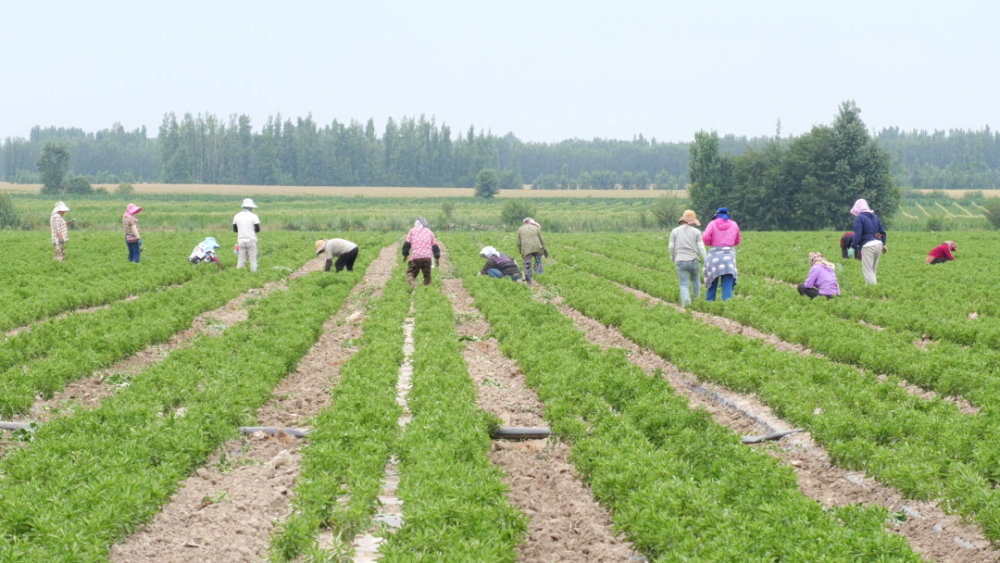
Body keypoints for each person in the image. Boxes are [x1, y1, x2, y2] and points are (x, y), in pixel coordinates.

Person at [669, 210, 707, 307]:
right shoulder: (696, 232)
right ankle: (696, 302)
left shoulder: (675, 231)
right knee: (695, 280)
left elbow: (670, 247)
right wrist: (706, 260)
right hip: (694, 261)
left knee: (683, 284)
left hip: (680, 260)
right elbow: (701, 248)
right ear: (693, 220)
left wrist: (672, 256)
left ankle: (686, 305)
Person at [702, 207, 740, 301]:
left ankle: (709, 303)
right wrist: (730, 244)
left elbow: (705, 236)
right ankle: (727, 305)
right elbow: (738, 239)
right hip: (729, 257)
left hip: (714, 256)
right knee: (727, 285)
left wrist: (710, 243)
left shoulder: (712, 223)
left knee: (712, 282)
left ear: (716, 214)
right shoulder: (734, 224)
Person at [850, 199, 887, 285]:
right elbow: (882, 232)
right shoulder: (874, 216)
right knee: (872, 270)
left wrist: (852, 247)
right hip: (878, 245)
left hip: (868, 246)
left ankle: (874, 291)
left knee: (867, 271)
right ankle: (870, 291)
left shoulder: (859, 218)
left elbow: (858, 234)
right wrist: (884, 244)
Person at [402, 217, 440, 287]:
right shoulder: (429, 232)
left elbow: (407, 244)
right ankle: (427, 291)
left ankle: (412, 284)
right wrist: (437, 258)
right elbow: (435, 246)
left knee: (411, 273)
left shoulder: (412, 231)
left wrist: (405, 255)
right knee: (427, 276)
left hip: (415, 257)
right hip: (427, 257)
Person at [516, 217, 548, 284]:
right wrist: (545, 250)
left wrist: (520, 250)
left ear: (525, 223)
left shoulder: (520, 229)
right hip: (537, 247)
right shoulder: (536, 228)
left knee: (527, 263)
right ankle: (540, 276)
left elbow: (518, 242)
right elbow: (542, 240)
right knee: (538, 262)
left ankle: (528, 279)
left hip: (526, 249)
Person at [233, 198, 260, 272]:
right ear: (250, 207)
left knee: (241, 260)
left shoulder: (237, 216)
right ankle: (254, 275)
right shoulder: (254, 216)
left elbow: (235, 230)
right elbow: (257, 229)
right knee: (253, 261)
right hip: (251, 240)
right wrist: (250, 229)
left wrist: (242, 230)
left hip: (241, 241)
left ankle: (239, 275)